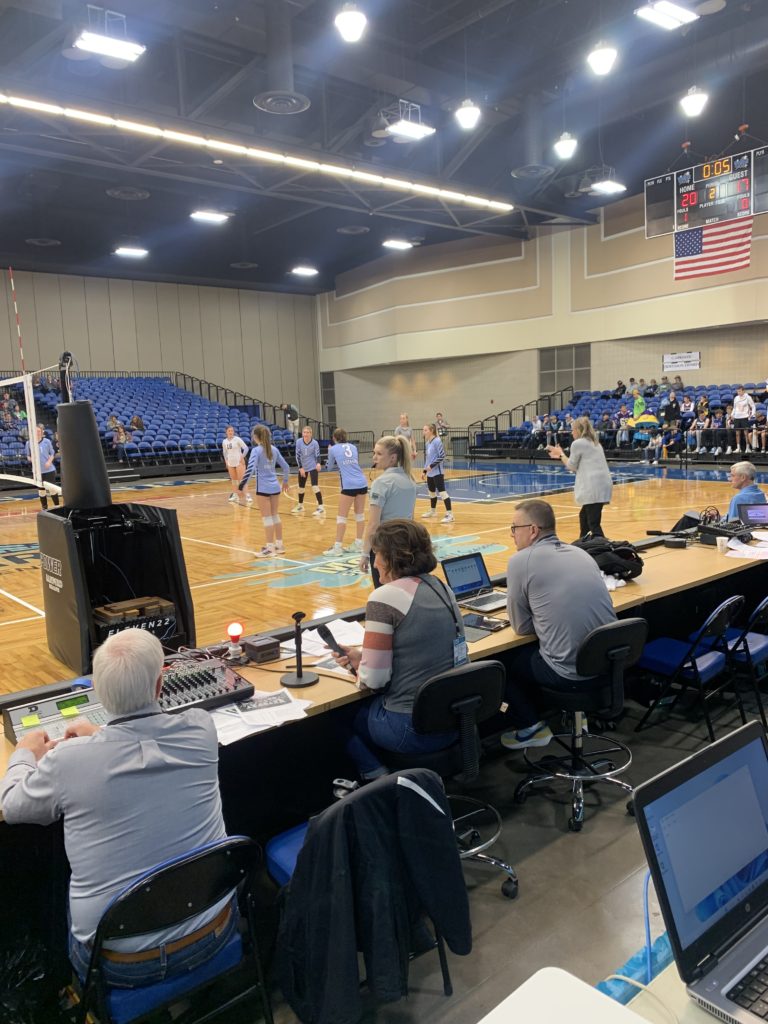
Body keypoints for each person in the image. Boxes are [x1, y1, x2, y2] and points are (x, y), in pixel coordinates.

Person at [0, 629, 234, 988]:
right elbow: (143, 746)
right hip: (215, 926)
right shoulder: (201, 729)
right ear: (159, 687)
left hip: (120, 964)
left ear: (100, 693)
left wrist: (25, 753)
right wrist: (98, 736)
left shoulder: (67, 762)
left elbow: (11, 806)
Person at [330, 520, 466, 781]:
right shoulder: (441, 587)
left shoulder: (384, 597)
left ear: (391, 557)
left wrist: (359, 667)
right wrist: (363, 657)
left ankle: (378, 777)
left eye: (377, 553)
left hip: (409, 728)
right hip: (455, 720)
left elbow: (375, 680)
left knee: (335, 717)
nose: (374, 561)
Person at [500, 500, 617, 750]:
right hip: (607, 666)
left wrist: (544, 619)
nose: (512, 534)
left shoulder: (521, 561)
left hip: (569, 675)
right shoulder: (581, 553)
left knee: (501, 667)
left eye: (514, 528)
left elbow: (520, 628)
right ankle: (577, 715)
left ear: (532, 530)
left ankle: (529, 727)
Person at [359, 436, 417, 585]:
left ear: (393, 458)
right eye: (374, 453)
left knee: (385, 595)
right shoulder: (410, 480)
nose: (374, 457)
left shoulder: (381, 483)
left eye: (379, 454)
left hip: (384, 549)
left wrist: (365, 554)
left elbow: (373, 524)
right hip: (405, 547)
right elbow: (411, 518)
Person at [547, 415, 612, 539]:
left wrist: (560, 454)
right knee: (584, 517)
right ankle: (583, 543)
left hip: (593, 486)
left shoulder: (578, 443)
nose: (571, 433)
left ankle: (604, 548)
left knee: (593, 524)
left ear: (578, 430)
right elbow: (578, 466)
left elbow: (571, 466)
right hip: (602, 485)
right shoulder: (595, 443)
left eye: (572, 430)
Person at [239, 425, 290, 557]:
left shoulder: (256, 451)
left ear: (256, 437)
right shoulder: (274, 449)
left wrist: (241, 486)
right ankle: (279, 545)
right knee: (275, 516)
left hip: (263, 489)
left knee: (267, 518)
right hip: (275, 488)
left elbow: (249, 470)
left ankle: (269, 548)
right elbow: (286, 467)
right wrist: (285, 481)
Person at [323, 427, 368, 556]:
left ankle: (337, 547)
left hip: (349, 485)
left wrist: (329, 453)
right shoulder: (353, 447)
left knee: (341, 516)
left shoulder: (333, 449)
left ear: (334, 438)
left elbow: (329, 467)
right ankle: (359, 543)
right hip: (362, 483)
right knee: (359, 515)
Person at [421, 422, 454, 523]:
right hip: (430, 473)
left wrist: (431, 466)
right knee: (431, 492)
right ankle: (433, 511)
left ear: (431, 431)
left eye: (425, 430)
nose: (423, 432)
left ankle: (450, 514)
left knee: (442, 493)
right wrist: (424, 471)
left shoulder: (437, 441)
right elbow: (428, 458)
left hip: (437, 472)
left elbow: (442, 456)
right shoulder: (427, 443)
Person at [292, 425, 324, 517]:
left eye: (307, 432)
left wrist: (318, 463)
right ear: (302, 433)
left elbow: (317, 455)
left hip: (312, 466)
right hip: (303, 466)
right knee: (301, 488)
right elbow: (297, 456)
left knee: (315, 486)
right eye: (304, 432)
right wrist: (300, 467)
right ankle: (300, 506)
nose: (305, 434)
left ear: (311, 434)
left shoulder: (315, 443)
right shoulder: (299, 442)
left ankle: (321, 507)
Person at [25, 424, 59, 510]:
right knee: (41, 491)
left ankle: (57, 507)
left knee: (52, 489)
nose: (37, 433)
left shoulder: (47, 441)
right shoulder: (29, 443)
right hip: (38, 472)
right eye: (36, 431)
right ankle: (45, 509)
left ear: (42, 432)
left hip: (49, 470)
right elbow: (28, 456)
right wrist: (32, 460)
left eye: (39, 431)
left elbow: (52, 454)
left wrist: (49, 461)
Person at [221, 424, 249, 503]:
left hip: (239, 462)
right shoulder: (224, 441)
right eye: (229, 431)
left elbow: (246, 448)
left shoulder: (237, 439)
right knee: (234, 481)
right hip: (230, 462)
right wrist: (226, 461)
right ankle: (235, 495)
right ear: (226, 432)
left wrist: (242, 457)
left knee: (242, 479)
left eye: (232, 430)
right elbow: (225, 453)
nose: (231, 432)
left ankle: (247, 495)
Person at [732, 385, 756, 454]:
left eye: (739, 391)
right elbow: (734, 407)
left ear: (743, 391)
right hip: (737, 417)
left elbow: (753, 406)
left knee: (746, 433)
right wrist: (732, 414)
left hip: (745, 417)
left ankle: (747, 447)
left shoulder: (748, 397)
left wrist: (752, 414)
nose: (738, 392)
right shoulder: (736, 398)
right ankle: (738, 448)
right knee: (737, 433)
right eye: (737, 391)